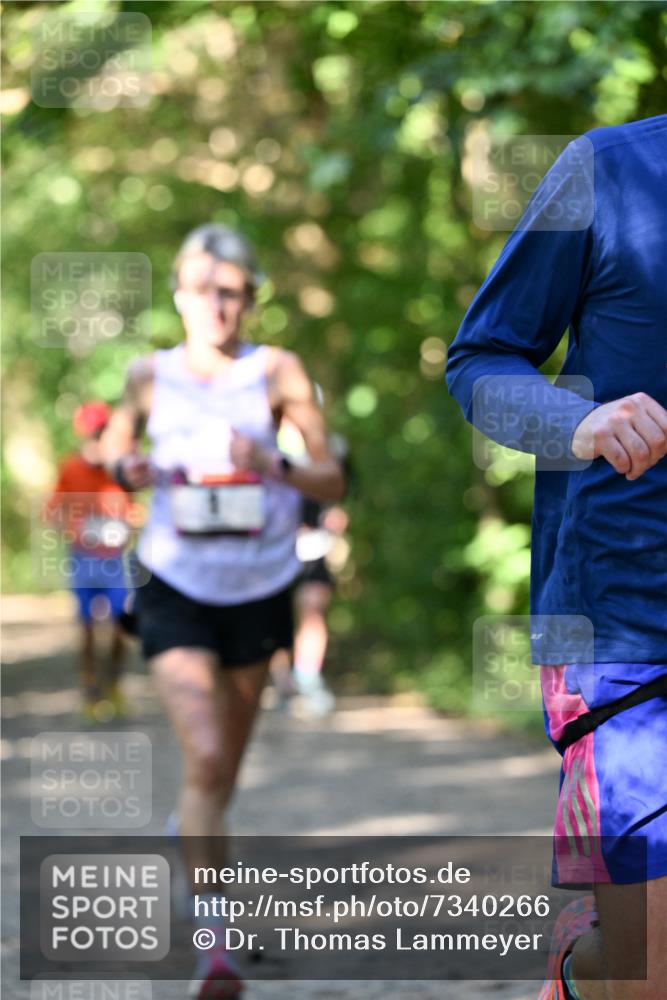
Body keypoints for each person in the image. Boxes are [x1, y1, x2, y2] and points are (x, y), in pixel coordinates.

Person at [446, 115, 667, 1000]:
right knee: (647, 976)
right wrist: (575, 423)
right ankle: (581, 973)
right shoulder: (608, 170)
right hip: (627, 621)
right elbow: (482, 356)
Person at [102, 223, 345, 998]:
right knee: (204, 754)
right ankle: (217, 949)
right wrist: (128, 466)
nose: (218, 305)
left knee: (221, 770)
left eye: (232, 291)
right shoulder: (149, 375)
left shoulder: (277, 372)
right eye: (203, 290)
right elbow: (113, 450)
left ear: (250, 299)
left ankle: (193, 839)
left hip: (259, 586)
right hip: (174, 584)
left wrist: (269, 462)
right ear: (179, 296)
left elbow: (331, 479)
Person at [46, 400, 131, 722]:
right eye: (93, 434)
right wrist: (76, 529)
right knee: (85, 626)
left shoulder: (118, 468)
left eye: (102, 433)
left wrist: (127, 527)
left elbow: (133, 510)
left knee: (122, 624)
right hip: (83, 557)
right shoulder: (70, 468)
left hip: (114, 559)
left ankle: (114, 685)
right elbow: (53, 512)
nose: (98, 440)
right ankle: (89, 689)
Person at [270, 420, 349, 717]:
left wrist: (339, 515)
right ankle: (283, 684)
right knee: (274, 616)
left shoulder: (332, 447)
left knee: (312, 608)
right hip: (274, 547)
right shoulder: (262, 444)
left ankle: (308, 678)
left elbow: (343, 488)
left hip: (315, 545)